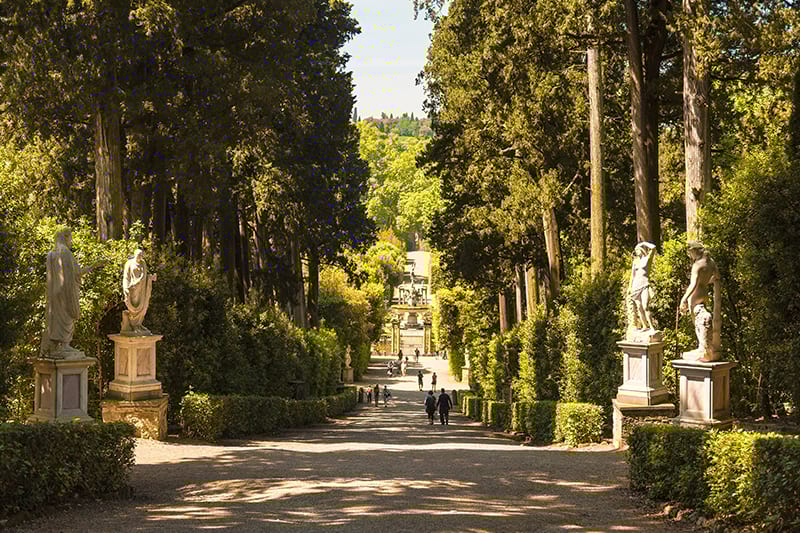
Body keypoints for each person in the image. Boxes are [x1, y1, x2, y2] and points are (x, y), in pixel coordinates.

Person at [40, 228, 102, 357]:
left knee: (56, 318)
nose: (71, 240)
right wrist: (93, 266)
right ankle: (64, 345)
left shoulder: (52, 253)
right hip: (65, 293)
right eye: (70, 237)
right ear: (65, 237)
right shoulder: (65, 253)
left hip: (55, 295)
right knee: (66, 318)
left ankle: (56, 345)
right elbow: (75, 273)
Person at [679, 241, 721, 360]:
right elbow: (717, 277)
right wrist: (707, 281)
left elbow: (693, 284)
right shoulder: (711, 262)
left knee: (697, 323)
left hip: (696, 295)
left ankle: (702, 348)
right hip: (705, 295)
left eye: (690, 253)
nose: (690, 256)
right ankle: (704, 347)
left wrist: (684, 299)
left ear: (694, 251)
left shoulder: (697, 265)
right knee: (700, 318)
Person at [122, 248, 157, 334]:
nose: (139, 257)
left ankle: (138, 324)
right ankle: (133, 326)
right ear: (135, 255)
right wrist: (125, 287)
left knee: (143, 306)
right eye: (138, 255)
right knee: (133, 307)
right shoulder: (129, 263)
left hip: (142, 289)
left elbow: (145, 275)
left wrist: (151, 278)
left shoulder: (143, 263)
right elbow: (126, 277)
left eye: (141, 256)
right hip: (132, 288)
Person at [628, 241, 657, 333]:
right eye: (635, 250)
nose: (636, 251)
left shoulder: (647, 259)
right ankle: (644, 325)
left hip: (644, 284)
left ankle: (652, 327)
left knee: (645, 306)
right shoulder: (635, 261)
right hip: (636, 285)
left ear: (641, 249)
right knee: (639, 307)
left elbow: (653, 247)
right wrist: (630, 287)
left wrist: (643, 243)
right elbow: (632, 276)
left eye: (638, 249)